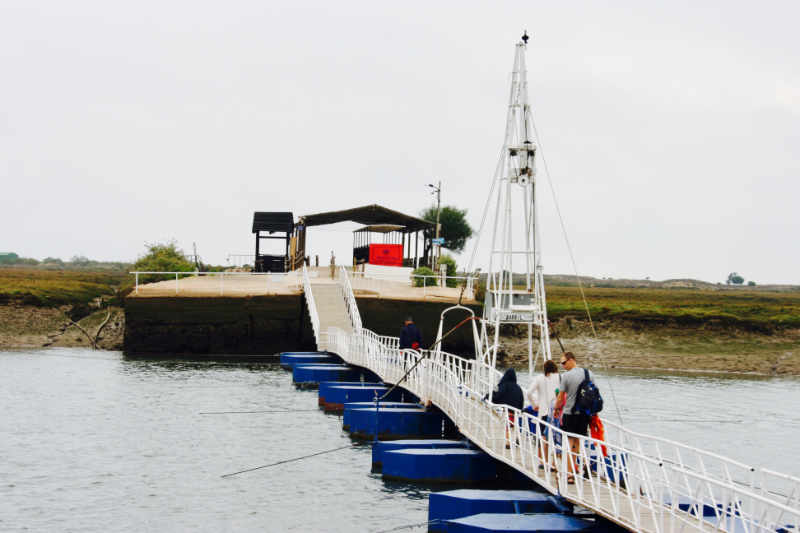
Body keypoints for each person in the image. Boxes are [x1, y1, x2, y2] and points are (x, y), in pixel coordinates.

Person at [554, 351, 594, 483]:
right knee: (577, 442)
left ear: (571, 360)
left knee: (569, 442)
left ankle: (569, 474)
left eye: (564, 363)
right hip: (584, 414)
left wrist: (556, 409)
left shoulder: (566, 376)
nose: (563, 366)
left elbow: (560, 397)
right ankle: (577, 469)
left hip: (570, 413)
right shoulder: (589, 374)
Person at [526, 360, 559, 468]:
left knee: (543, 436)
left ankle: (542, 461)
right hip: (555, 412)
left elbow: (529, 393)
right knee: (555, 437)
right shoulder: (559, 378)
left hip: (543, 411)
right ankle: (554, 463)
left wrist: (534, 404)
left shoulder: (539, 378)